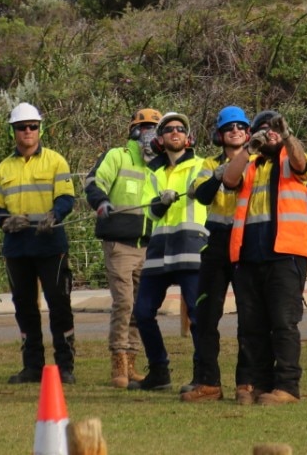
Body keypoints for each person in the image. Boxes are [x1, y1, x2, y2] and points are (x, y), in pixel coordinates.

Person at [220, 109, 307, 405]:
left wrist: (286, 137)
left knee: (283, 323)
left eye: (272, 130)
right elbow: (229, 179)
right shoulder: (248, 164)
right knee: (250, 325)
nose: (268, 135)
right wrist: (249, 147)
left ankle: (287, 387)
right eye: (262, 130)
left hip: (286, 255)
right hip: (247, 258)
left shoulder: (291, 159)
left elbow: (301, 162)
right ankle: (254, 384)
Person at [0, 102, 78, 384]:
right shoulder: (3, 168)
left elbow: (66, 197)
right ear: (13, 131)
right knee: (24, 308)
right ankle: (32, 366)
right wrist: (4, 222)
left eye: (32, 126)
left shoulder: (55, 161)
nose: (27, 131)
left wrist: (56, 214)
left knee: (59, 305)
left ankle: (65, 366)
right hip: (17, 247)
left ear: (40, 129)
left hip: (51, 245)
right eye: (21, 127)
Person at [128, 112, 210, 391]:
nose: (175, 133)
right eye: (169, 129)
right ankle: (159, 370)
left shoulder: (202, 166)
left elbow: (208, 193)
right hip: (160, 250)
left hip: (191, 248)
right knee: (142, 311)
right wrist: (160, 203)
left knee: (198, 316)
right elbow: (149, 211)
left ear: (188, 138)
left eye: (180, 129)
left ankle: (202, 376)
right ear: (160, 138)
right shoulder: (153, 174)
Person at [83, 108, 161, 388]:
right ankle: (118, 361)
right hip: (119, 244)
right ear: (134, 130)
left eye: (155, 126)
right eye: (145, 126)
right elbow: (93, 181)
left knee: (141, 308)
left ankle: (131, 362)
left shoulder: (161, 165)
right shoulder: (117, 156)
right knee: (124, 303)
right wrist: (100, 201)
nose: (149, 131)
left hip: (149, 246)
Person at [181, 106, 251, 402]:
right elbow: (203, 195)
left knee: (250, 317)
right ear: (219, 134)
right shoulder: (208, 164)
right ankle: (207, 382)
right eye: (229, 127)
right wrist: (220, 175)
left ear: (248, 133)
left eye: (240, 126)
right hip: (217, 244)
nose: (235, 130)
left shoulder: (257, 162)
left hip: (248, 244)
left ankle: (247, 383)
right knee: (206, 315)